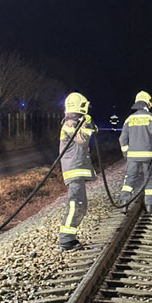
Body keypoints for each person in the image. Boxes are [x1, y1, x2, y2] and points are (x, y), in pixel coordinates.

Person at [58, 91, 97, 252]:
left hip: (76, 168)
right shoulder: (70, 124)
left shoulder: (75, 122)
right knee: (75, 203)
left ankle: (69, 239)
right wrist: (87, 124)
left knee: (80, 204)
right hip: (73, 170)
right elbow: (82, 139)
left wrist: (87, 124)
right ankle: (66, 241)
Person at [119, 90, 152, 214]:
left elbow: (122, 138)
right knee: (149, 179)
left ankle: (124, 203)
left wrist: (126, 152)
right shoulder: (150, 117)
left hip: (132, 156)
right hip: (148, 155)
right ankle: (149, 205)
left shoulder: (129, 119)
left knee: (129, 179)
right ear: (147, 103)